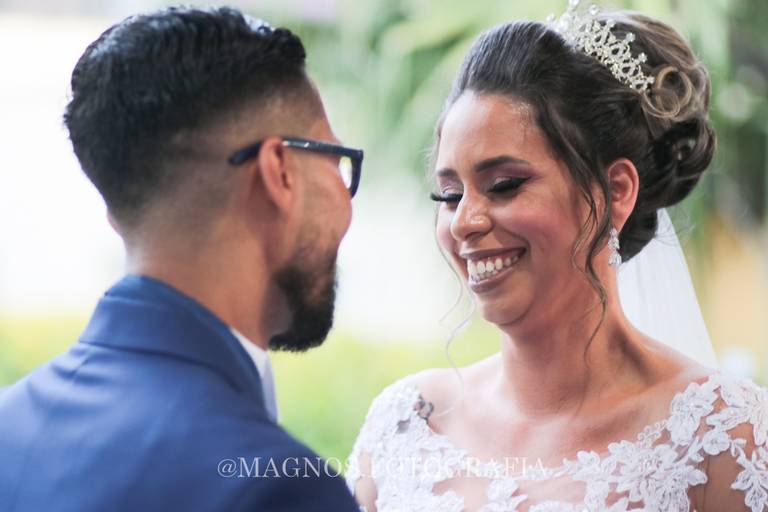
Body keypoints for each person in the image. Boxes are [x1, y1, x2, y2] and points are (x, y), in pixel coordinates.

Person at [347, 3, 767, 511]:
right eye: (450, 195)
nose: (464, 222)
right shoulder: (406, 424)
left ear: (615, 191)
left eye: (504, 185)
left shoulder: (723, 439)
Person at [0, 6, 362, 511]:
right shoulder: (277, 487)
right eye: (336, 161)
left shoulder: (9, 425)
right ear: (279, 172)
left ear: (116, 213)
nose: (346, 201)